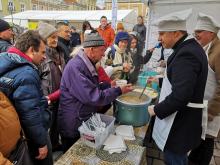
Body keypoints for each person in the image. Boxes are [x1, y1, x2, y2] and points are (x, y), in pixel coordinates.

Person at [147, 9, 208, 164]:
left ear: (176, 33)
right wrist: (159, 80)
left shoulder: (187, 54)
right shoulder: (187, 48)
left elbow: (181, 95)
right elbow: (181, 80)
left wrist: (156, 109)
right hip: (183, 121)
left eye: (162, 34)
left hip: (180, 123)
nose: (159, 39)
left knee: (175, 159)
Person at [58, 32, 133, 152]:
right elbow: (93, 97)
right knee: (73, 153)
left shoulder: (86, 63)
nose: (104, 54)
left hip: (82, 118)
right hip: (73, 123)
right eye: (102, 50)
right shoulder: (76, 67)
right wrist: (118, 90)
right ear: (92, 50)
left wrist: (109, 85)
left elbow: (92, 87)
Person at [0, 30, 53, 165]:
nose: (44, 57)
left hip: (15, 133)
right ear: (31, 50)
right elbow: (30, 114)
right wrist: (41, 143)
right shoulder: (27, 73)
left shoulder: (6, 59)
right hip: (29, 135)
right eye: (42, 52)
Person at [188, 13, 220, 165]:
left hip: (211, 111)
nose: (196, 35)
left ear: (211, 33)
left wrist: (211, 113)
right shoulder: (208, 48)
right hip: (203, 108)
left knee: (206, 142)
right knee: (199, 141)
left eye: (200, 31)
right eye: (195, 32)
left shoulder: (219, 52)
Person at [37, 22, 65, 152]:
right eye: (52, 37)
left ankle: (54, 144)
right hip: (47, 98)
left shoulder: (60, 52)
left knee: (56, 124)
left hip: (60, 95)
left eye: (56, 37)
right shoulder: (41, 57)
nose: (55, 40)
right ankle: (47, 148)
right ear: (43, 39)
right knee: (47, 125)